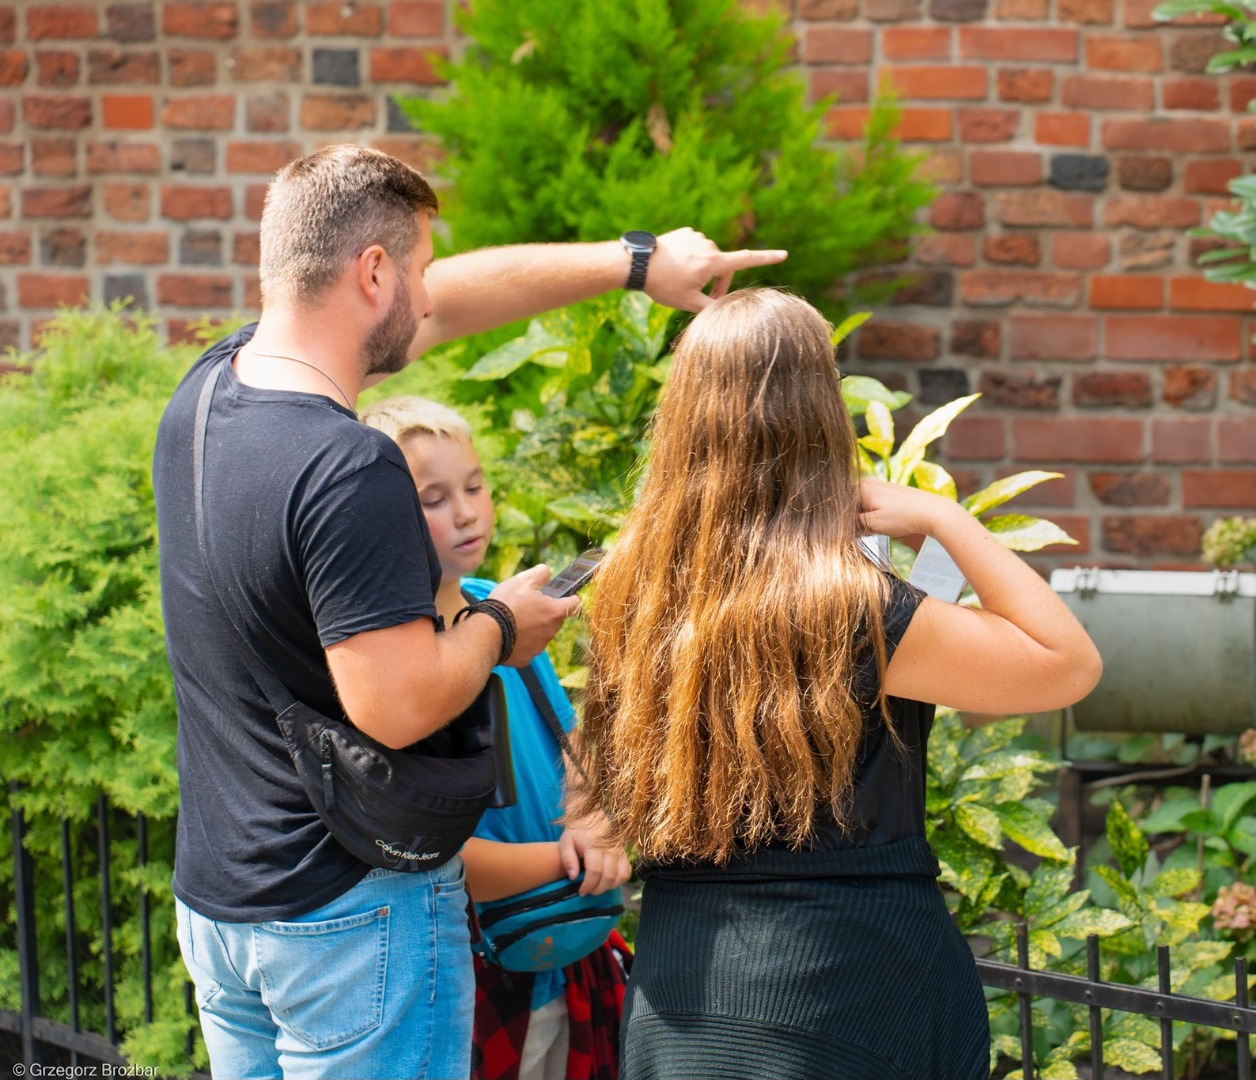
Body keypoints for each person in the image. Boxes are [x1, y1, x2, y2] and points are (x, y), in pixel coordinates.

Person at [151, 144, 784, 1080]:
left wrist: (637, 263)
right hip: (345, 919)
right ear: (372, 273)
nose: (428, 295)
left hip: (221, 908)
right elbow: (397, 705)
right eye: (413, 272)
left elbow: (452, 296)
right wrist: (501, 627)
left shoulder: (209, 391)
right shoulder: (348, 464)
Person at [571, 287, 1104, 1080]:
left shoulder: (633, 595)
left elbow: (599, 765)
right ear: (821, 412)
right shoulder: (852, 610)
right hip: (851, 991)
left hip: (682, 994)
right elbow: (1067, 664)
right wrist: (947, 521)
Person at [360, 395, 633, 1080]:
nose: (467, 511)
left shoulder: (503, 604)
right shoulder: (398, 664)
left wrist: (593, 819)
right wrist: (573, 861)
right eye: (434, 497)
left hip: (564, 951)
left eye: (475, 486)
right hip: (470, 970)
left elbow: (568, 741)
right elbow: (430, 854)